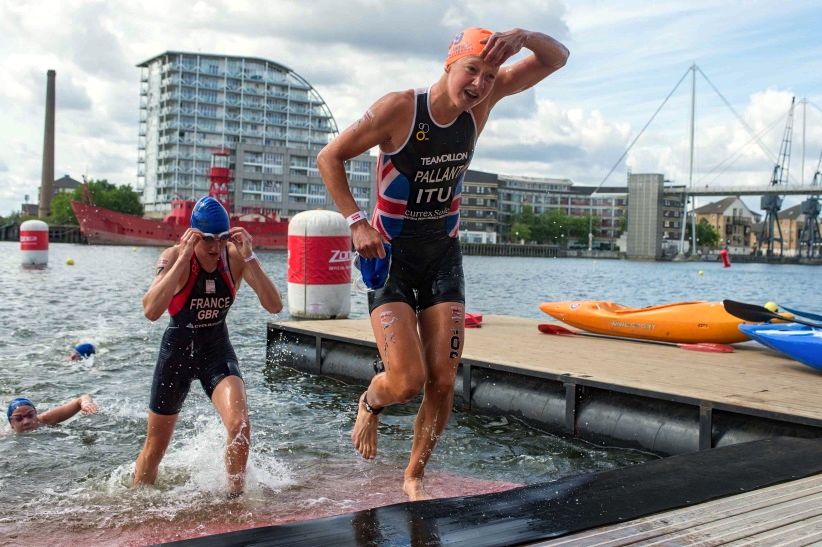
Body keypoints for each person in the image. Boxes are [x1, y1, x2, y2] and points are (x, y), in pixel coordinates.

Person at [317, 27, 568, 500]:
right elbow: (330, 156)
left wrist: (527, 36)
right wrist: (355, 222)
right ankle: (370, 402)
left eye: (489, 76)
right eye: (471, 70)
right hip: (390, 256)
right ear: (449, 65)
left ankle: (414, 474)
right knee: (406, 382)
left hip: (442, 256)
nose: (479, 83)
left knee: (444, 379)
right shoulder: (399, 108)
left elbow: (556, 59)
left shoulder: (482, 107)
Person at [132, 196, 283, 496]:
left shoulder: (234, 257)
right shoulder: (174, 255)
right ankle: (136, 505)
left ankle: (233, 499)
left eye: (222, 238)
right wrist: (184, 255)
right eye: (207, 240)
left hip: (215, 349)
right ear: (194, 236)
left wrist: (250, 257)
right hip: (177, 352)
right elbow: (150, 310)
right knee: (155, 447)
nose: (215, 248)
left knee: (240, 425)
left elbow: (274, 306)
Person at [6, 395, 98, 433]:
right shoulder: (5, 435)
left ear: (36, 415)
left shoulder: (46, 419)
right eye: (18, 418)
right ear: (11, 423)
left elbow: (82, 398)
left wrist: (86, 403)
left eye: (30, 415)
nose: (26, 422)